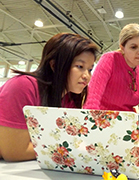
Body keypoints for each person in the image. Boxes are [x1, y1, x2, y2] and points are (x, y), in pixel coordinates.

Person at [0, 33, 99, 161]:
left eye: (90, 69)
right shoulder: (23, 86)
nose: (86, 75)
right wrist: (66, 148)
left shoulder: (70, 99)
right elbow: (14, 152)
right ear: (54, 65)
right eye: (80, 67)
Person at [84, 23, 139, 148]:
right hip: (101, 124)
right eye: (133, 47)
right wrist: (90, 133)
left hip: (126, 128)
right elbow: (93, 99)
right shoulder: (109, 59)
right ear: (122, 47)